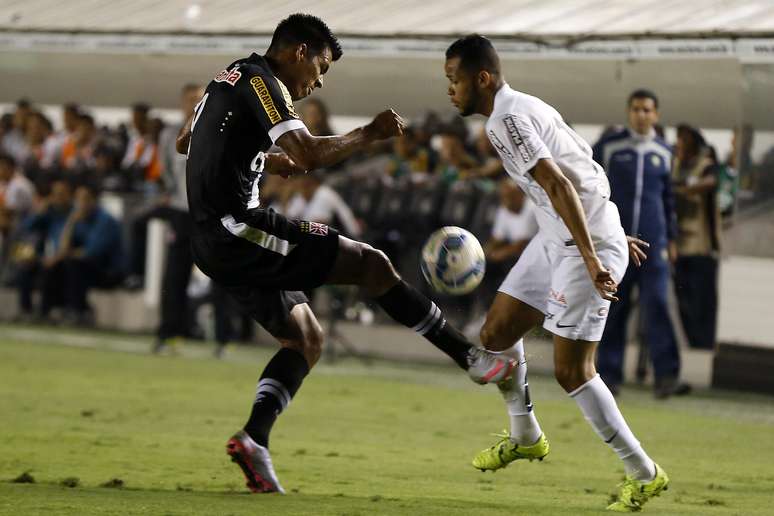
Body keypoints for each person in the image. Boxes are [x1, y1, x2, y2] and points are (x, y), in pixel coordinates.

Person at [178, 14, 513, 494]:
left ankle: (254, 439)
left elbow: (187, 141)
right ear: (299, 52)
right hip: (238, 230)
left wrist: (261, 158)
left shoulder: (229, 75)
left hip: (216, 238)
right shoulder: (266, 83)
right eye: (322, 66)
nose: (318, 80)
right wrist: (371, 132)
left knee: (305, 339)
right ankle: (470, 358)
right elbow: (311, 155)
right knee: (370, 264)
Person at [443, 35, 666, 512]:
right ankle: (525, 435)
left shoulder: (506, 119)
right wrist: (607, 224)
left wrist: (595, 250)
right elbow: (581, 165)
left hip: (581, 247)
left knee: (572, 371)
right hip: (559, 236)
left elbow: (559, 180)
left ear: (481, 78)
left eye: (455, 80)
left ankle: (643, 472)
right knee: (497, 331)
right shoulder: (524, 106)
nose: (451, 90)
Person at [593, 90, 688, 399]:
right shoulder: (608, 148)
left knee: (657, 305)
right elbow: (592, 190)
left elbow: (668, 200)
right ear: (628, 112)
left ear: (656, 115)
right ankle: (607, 376)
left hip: (654, 246)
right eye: (635, 109)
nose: (641, 115)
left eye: (647, 110)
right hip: (616, 245)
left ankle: (667, 376)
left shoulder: (665, 153)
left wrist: (671, 240)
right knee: (615, 310)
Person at [672, 125, 720, 350]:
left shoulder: (706, 166)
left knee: (702, 302)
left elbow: (710, 183)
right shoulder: (675, 165)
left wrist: (681, 189)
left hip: (701, 247)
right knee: (684, 303)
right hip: (678, 247)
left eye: (685, 138)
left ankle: (704, 345)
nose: (680, 142)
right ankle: (694, 344)